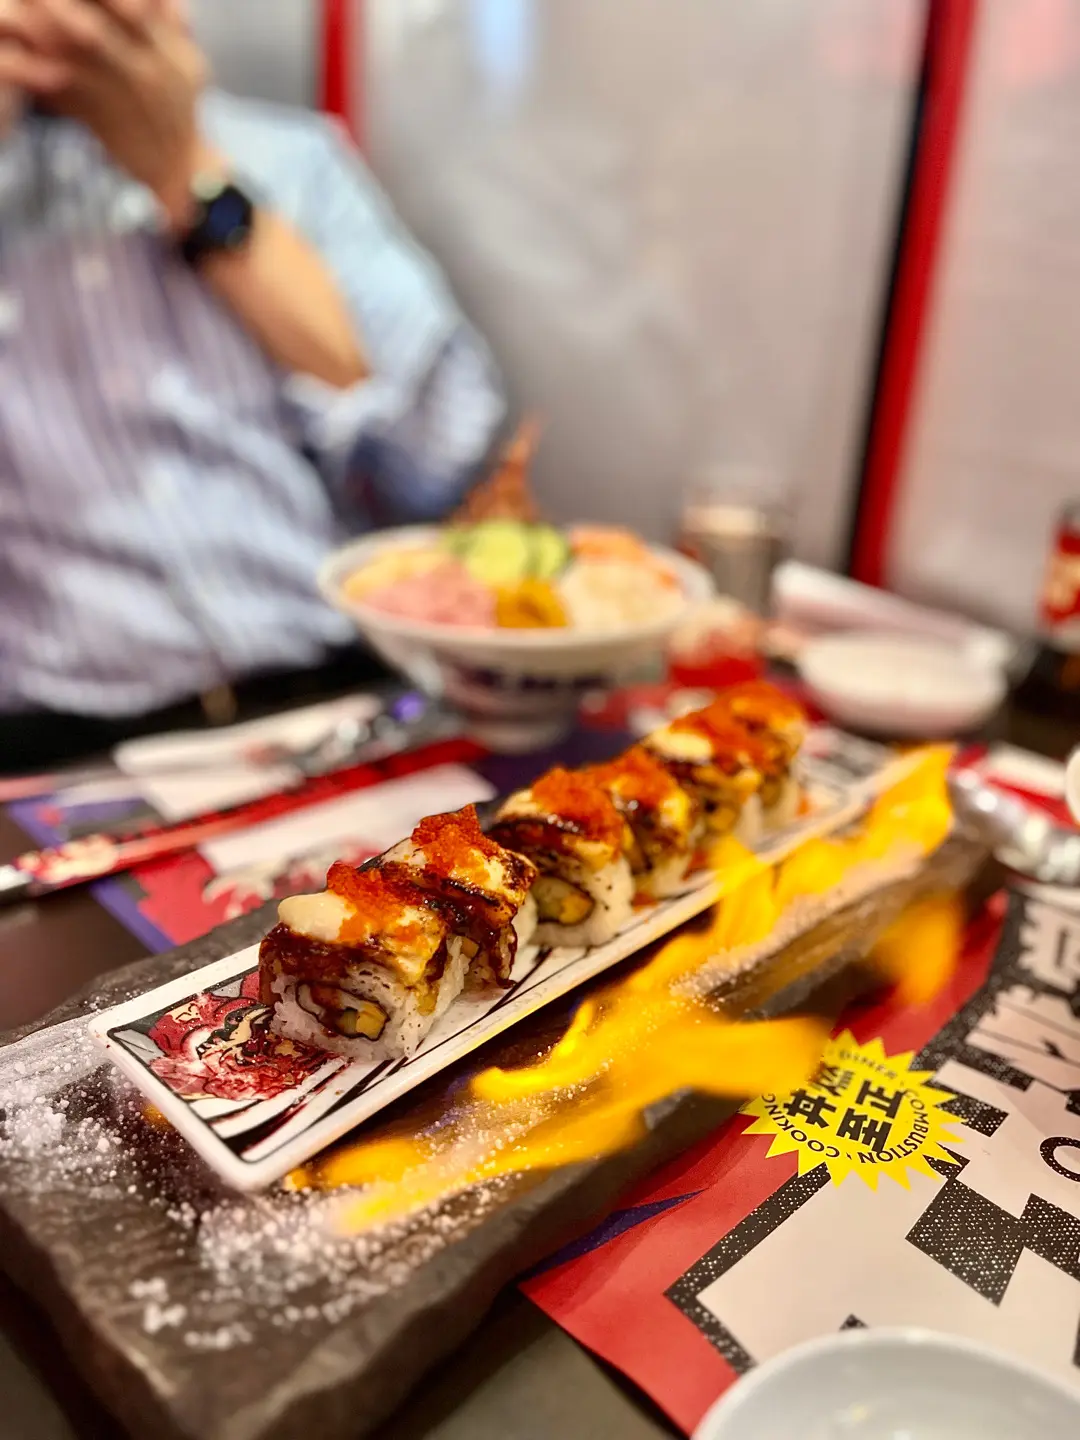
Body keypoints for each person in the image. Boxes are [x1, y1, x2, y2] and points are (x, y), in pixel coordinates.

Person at [0, 0, 508, 773]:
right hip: (67, 746)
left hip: (336, 695)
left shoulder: (290, 156)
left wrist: (188, 172)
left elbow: (438, 462)